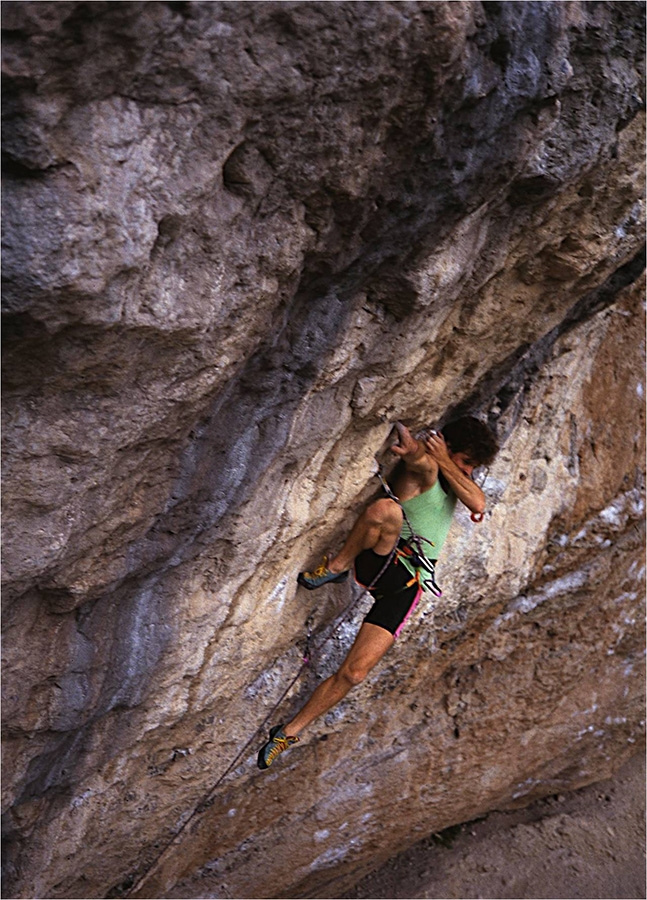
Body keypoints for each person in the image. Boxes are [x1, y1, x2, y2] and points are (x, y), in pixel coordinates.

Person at [257, 416, 499, 769]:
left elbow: (478, 502)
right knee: (387, 510)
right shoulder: (430, 470)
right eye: (466, 463)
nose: (468, 472)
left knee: (355, 673)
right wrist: (414, 447)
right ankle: (336, 568)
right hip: (381, 557)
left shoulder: (452, 477)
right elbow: (419, 459)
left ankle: (288, 732)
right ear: (446, 448)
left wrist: (451, 463)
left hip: (406, 583)